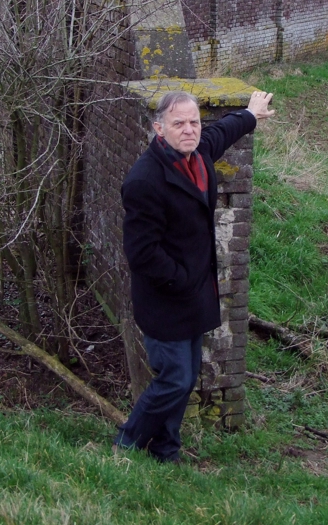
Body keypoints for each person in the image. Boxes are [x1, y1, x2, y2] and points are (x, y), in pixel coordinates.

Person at [113, 88, 274, 462]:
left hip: (192, 297)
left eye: (194, 122)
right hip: (165, 299)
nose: (189, 130)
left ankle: (165, 450)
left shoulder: (197, 154)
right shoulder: (144, 180)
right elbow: (142, 254)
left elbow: (222, 131)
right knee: (175, 379)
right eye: (179, 123)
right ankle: (126, 443)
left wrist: (250, 113)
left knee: (184, 380)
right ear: (159, 129)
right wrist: (182, 279)